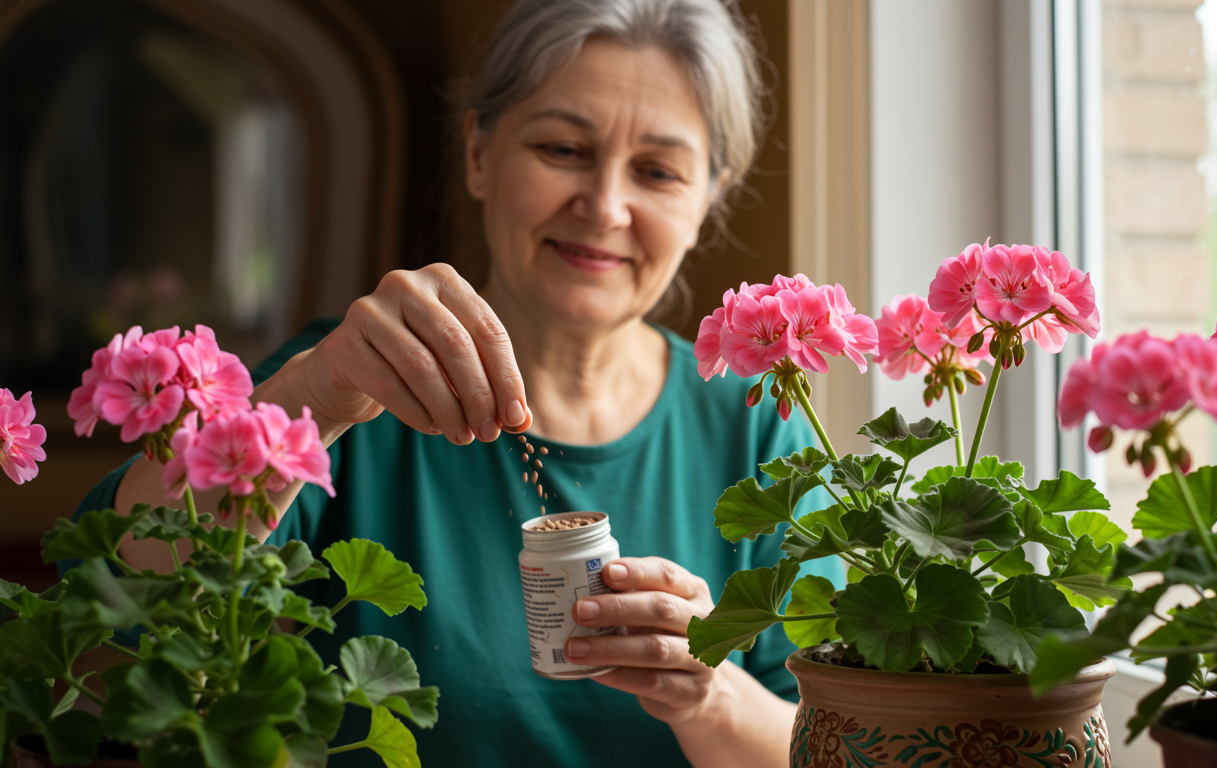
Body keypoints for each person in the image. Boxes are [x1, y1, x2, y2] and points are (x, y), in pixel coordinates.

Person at [80, 0, 839, 765]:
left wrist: (708, 693)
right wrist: (317, 391)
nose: (605, 206)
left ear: (709, 197)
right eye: (563, 148)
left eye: (657, 171)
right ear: (478, 152)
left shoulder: (757, 427)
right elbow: (121, 596)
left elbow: (837, 744)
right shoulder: (346, 388)